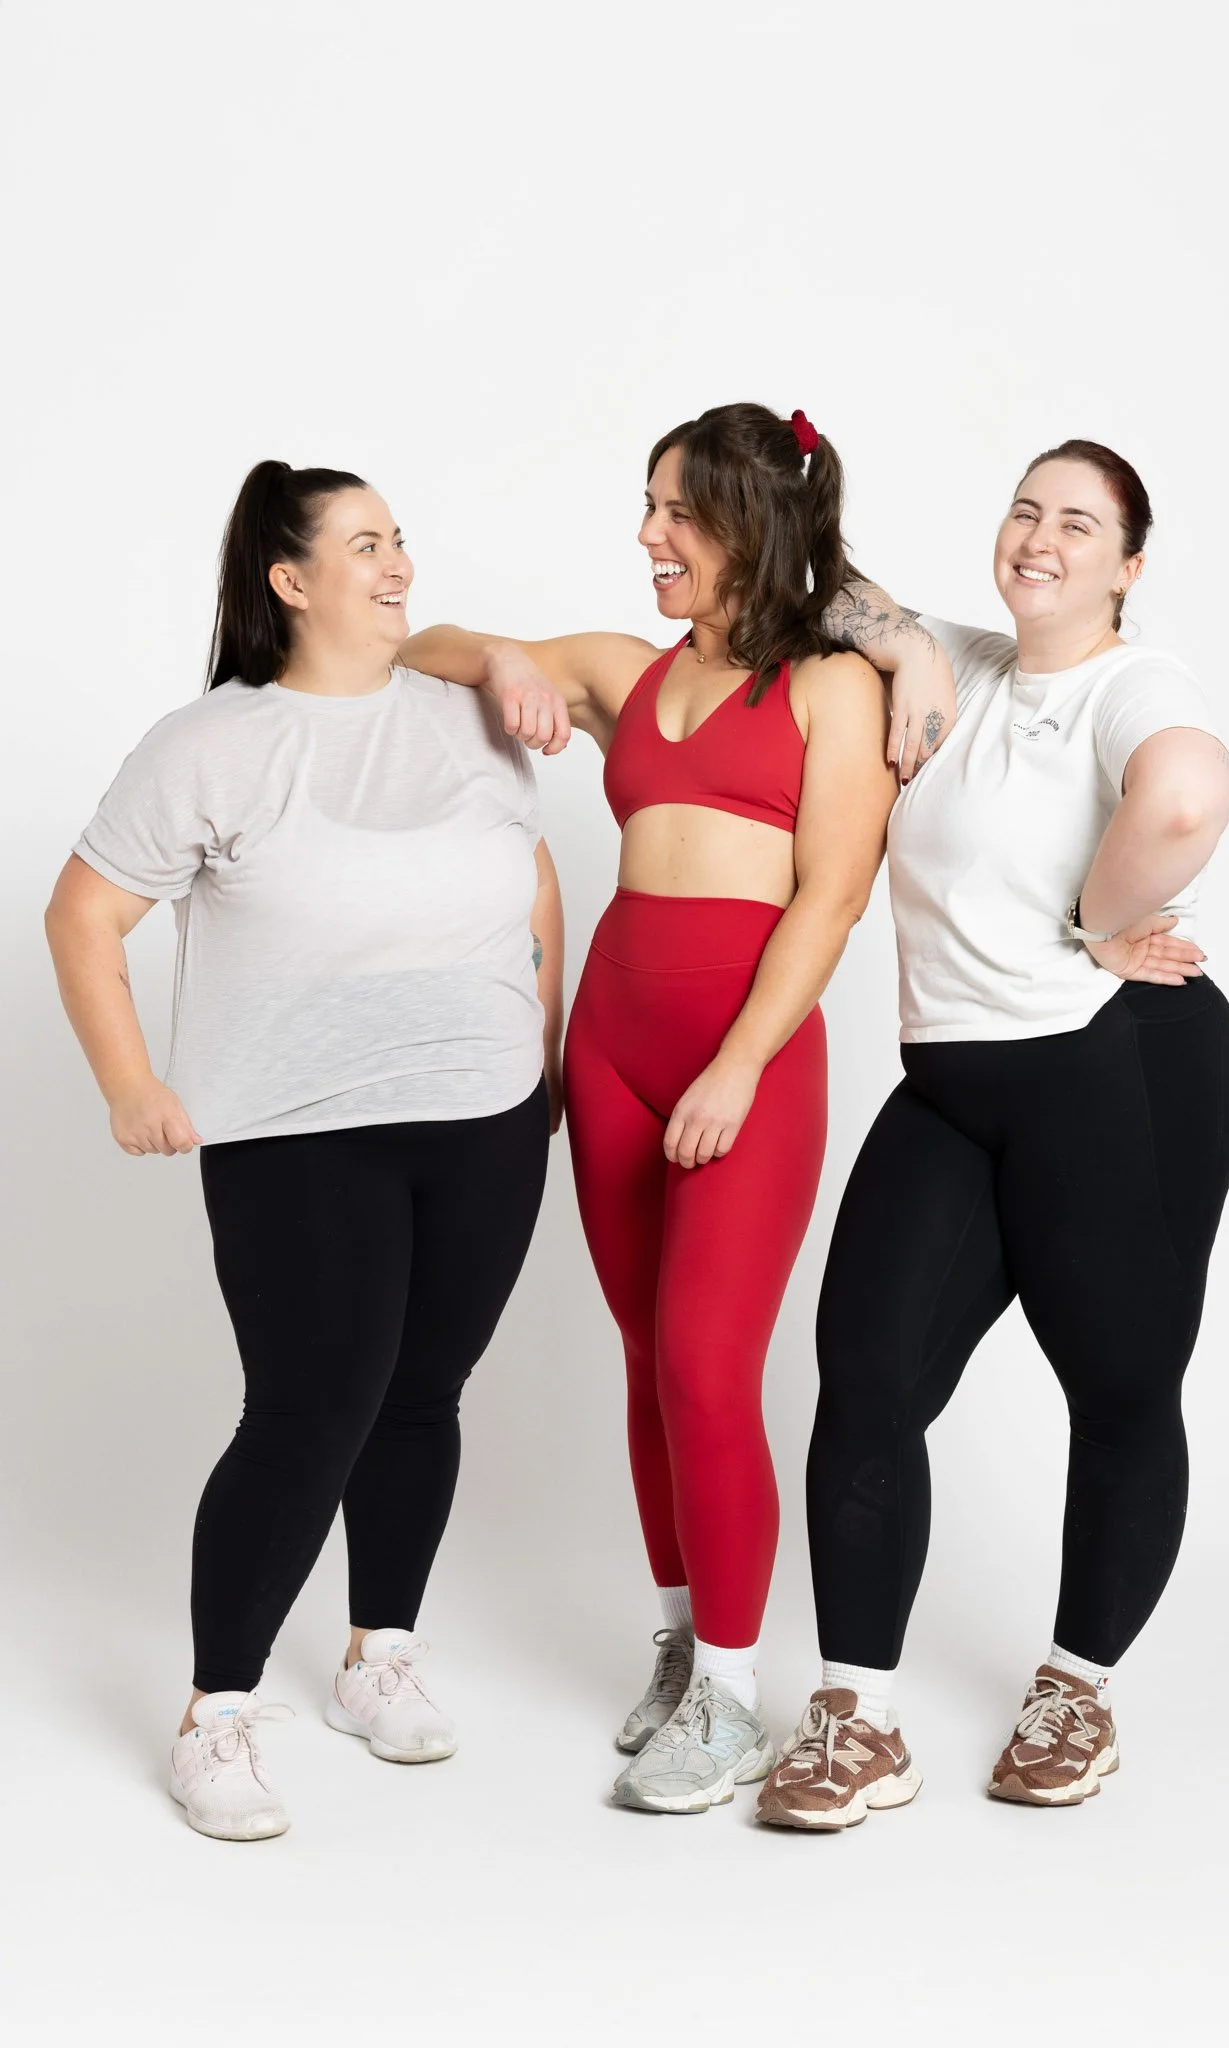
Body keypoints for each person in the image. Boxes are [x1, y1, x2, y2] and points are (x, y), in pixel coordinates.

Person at [402, 403, 932, 1813]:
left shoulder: (832, 688)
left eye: (677, 513)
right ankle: (682, 1639)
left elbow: (829, 896)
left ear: (751, 522)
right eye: (646, 508)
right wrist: (512, 662)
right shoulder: (629, 673)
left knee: (708, 1362)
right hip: (613, 1054)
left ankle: (739, 1696)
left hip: (739, 1058)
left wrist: (739, 1062)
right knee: (647, 1360)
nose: (648, 536)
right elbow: (424, 645)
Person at [45, 461, 563, 1841]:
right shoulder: (208, 743)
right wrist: (128, 1082)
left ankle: (376, 1653)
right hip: (293, 1133)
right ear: (289, 581)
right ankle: (216, 1714)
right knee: (307, 1409)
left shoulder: (469, 716)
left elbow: (535, 876)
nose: (398, 565)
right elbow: (83, 917)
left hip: (484, 1115)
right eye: (365, 546)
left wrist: (546, 1058)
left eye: (401, 541)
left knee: (424, 1393)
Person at [756, 439, 1229, 1829]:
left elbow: (1187, 791)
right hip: (954, 1084)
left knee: (1119, 1388)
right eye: (1024, 510)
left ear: (1126, 566)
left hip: (1117, 1073)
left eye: (1077, 524)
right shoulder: (958, 662)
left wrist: (1096, 926)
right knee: (862, 1379)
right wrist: (907, 641)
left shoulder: (1128, 682)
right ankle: (856, 1719)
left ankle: (1073, 1690)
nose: (1039, 537)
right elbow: (809, 577)